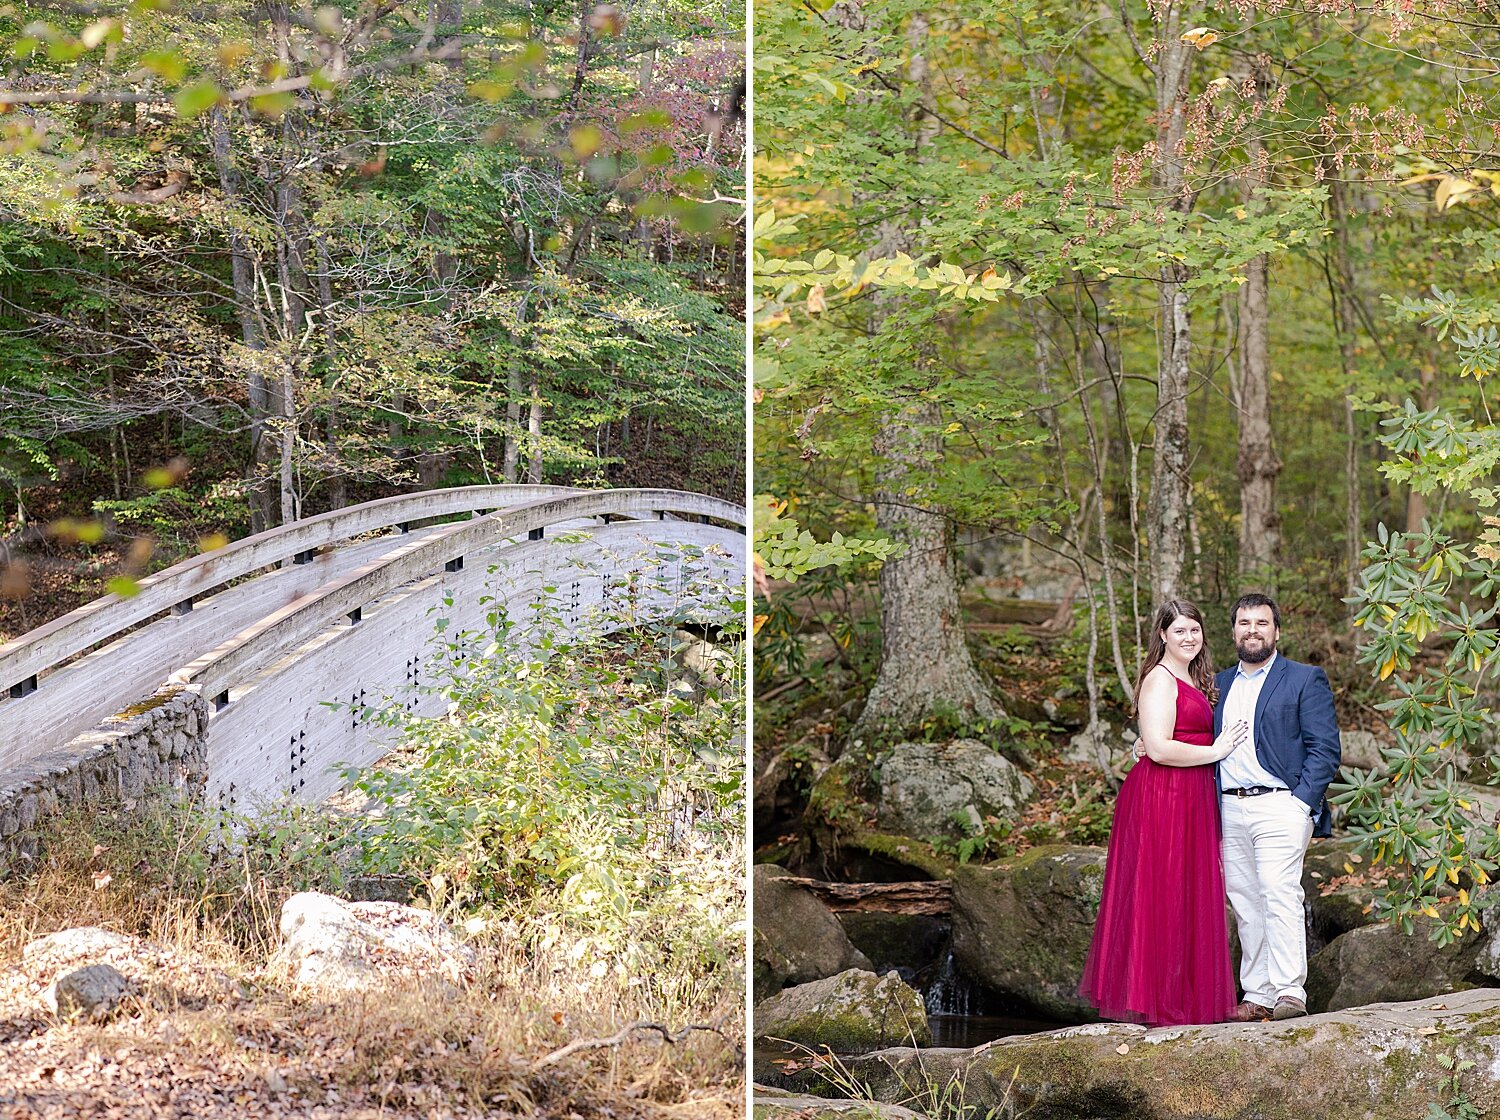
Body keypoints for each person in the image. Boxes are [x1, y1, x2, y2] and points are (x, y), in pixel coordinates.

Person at [1078, 600, 1247, 1027]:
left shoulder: (1195, 676)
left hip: (1191, 793)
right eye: (1179, 631)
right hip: (1163, 795)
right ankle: (1160, 1004)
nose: (1188, 638)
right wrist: (1216, 750)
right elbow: (1157, 747)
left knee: (1187, 891)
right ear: (1162, 636)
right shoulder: (1159, 679)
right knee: (1163, 891)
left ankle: (1185, 1000)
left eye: (1195, 630)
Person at [1214, 592, 1341, 1022]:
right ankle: (1258, 993)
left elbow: (1324, 749)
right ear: (1234, 631)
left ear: (1276, 631)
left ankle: (1290, 992)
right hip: (1229, 808)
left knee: (1278, 890)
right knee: (1246, 901)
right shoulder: (1218, 685)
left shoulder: (1304, 678)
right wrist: (1146, 743)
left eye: (1261, 623)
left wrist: (1301, 804)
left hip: (1279, 805)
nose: (1253, 631)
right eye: (1245, 623)